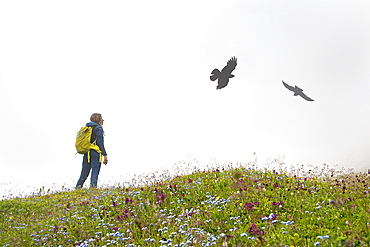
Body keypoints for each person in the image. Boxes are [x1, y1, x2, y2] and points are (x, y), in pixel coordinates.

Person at [76, 113, 108, 188]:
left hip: (87, 152)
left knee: (84, 172)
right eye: (101, 118)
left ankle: (78, 187)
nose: (103, 120)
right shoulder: (98, 128)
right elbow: (100, 143)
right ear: (98, 119)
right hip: (95, 153)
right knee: (95, 171)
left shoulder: (87, 128)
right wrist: (105, 155)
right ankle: (93, 187)